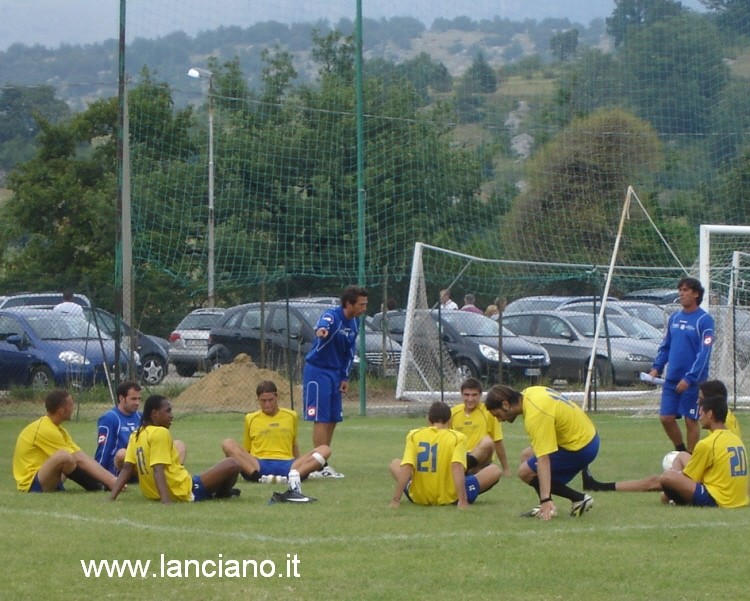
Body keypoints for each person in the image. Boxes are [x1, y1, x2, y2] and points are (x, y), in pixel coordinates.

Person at [584, 378, 742, 493]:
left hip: (718, 479)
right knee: (680, 456)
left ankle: (601, 487)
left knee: (657, 480)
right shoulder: (728, 418)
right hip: (723, 472)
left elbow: (719, 457)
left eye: (701, 400)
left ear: (711, 407)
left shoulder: (719, 428)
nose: (698, 405)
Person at [484, 385, 598, 520]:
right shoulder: (529, 393)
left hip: (581, 447)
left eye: (498, 415)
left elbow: (543, 459)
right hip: (586, 436)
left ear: (505, 404)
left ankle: (577, 499)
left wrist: (545, 498)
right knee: (526, 456)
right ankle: (548, 506)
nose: (499, 420)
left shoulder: (536, 415)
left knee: (525, 472)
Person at [109, 395, 241, 504]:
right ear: (154, 413)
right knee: (232, 464)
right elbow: (158, 469)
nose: (171, 416)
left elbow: (127, 469)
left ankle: (218, 492)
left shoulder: (136, 434)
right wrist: (166, 501)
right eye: (167, 411)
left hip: (154, 492)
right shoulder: (160, 432)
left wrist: (111, 497)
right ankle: (221, 495)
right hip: (183, 490)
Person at [222, 380, 330, 498]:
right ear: (258, 400)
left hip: (288, 465)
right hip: (259, 464)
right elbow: (246, 449)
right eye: (263, 401)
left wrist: (301, 463)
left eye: (270, 400)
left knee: (325, 450)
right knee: (228, 443)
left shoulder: (291, 416)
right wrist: (246, 465)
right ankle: (258, 478)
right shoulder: (250, 418)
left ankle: (293, 477)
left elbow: (293, 443)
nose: (267, 404)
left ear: (276, 397)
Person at [303, 285, 368, 478]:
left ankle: (323, 462)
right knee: (321, 418)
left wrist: (344, 376)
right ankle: (317, 465)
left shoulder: (354, 324)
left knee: (332, 419)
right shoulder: (333, 315)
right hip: (318, 372)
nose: (364, 308)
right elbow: (324, 324)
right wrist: (321, 331)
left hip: (335, 374)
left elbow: (348, 353)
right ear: (349, 304)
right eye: (361, 304)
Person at [389, 401, 501, 508]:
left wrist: (396, 499)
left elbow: (407, 465)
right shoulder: (458, 437)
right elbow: (457, 466)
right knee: (495, 470)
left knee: (395, 463)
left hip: (419, 497)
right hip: (450, 497)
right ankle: (463, 485)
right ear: (450, 419)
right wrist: (462, 500)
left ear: (428, 420)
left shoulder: (414, 435)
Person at [648, 276, 715, 453]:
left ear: (696, 294)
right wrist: (657, 368)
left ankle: (692, 460)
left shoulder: (704, 320)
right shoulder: (674, 318)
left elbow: (704, 353)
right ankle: (681, 451)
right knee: (666, 417)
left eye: (685, 290)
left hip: (693, 381)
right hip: (672, 379)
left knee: (691, 420)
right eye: (680, 290)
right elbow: (666, 346)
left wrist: (689, 378)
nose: (681, 294)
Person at [13, 389, 117, 492]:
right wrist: (111, 481)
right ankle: (99, 486)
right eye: (71, 405)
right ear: (61, 410)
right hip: (32, 483)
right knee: (64, 456)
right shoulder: (46, 429)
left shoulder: (59, 429)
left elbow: (80, 455)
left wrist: (111, 479)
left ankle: (100, 485)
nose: (73, 408)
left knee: (72, 457)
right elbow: (78, 459)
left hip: (46, 476)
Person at [449, 377, 510, 477]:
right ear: (461, 395)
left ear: (480, 395)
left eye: (474, 395)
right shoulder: (453, 413)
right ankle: (464, 470)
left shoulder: (489, 412)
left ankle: (463, 470)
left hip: (482, 458)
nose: (470, 399)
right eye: (466, 395)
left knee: (487, 441)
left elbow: (498, 441)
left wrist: (506, 469)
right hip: (460, 456)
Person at [94, 381, 142, 476]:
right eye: (133, 399)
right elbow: (103, 449)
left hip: (139, 460)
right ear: (121, 398)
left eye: (139, 399)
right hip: (117, 466)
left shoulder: (142, 417)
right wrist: (98, 474)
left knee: (179, 446)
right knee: (123, 454)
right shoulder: (110, 418)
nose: (137, 403)